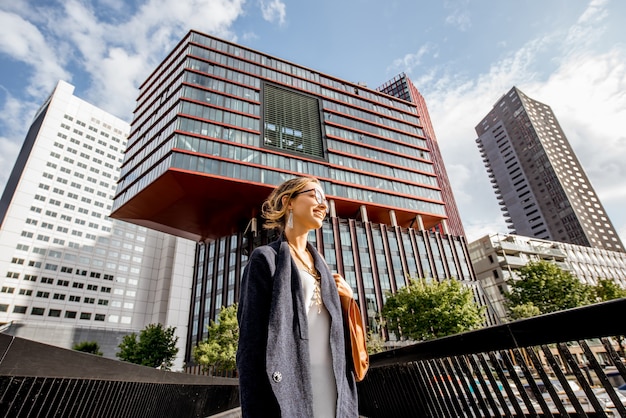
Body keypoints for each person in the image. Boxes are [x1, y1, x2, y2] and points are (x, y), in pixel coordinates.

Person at [236, 176, 359, 417]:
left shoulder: (322, 265)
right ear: (288, 202)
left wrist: (348, 298)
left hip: (334, 383)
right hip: (289, 386)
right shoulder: (265, 259)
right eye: (316, 196)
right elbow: (250, 345)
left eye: (326, 200)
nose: (324, 205)